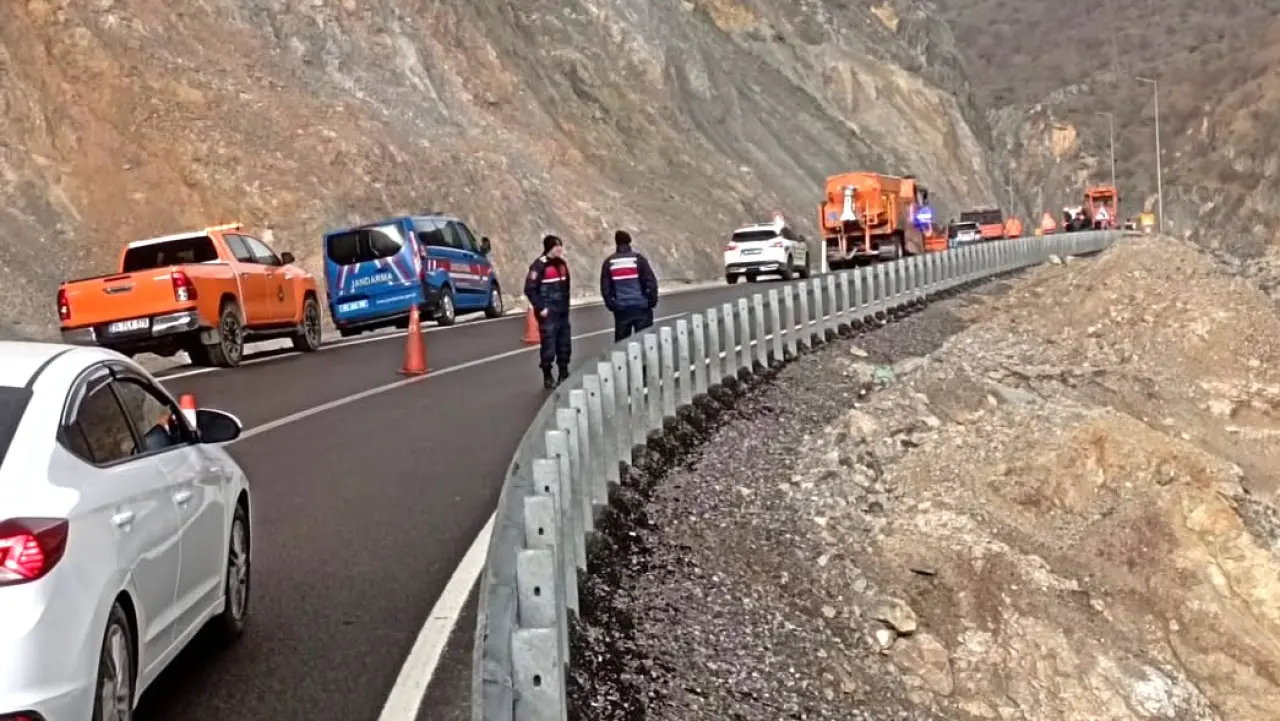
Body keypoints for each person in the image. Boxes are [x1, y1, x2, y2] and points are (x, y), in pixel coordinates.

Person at [524, 234, 572, 388]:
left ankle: (564, 372)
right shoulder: (539, 266)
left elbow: (566, 288)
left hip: (562, 312)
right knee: (549, 346)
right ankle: (547, 374)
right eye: (556, 246)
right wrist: (541, 307)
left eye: (560, 246)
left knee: (564, 344)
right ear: (549, 247)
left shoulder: (562, 265)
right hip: (549, 313)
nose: (559, 249)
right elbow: (530, 289)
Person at [600, 230, 659, 342]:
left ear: (616, 242)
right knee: (645, 344)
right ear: (629, 242)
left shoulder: (609, 262)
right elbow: (651, 282)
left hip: (621, 310)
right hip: (641, 308)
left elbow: (605, 288)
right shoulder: (638, 259)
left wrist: (612, 305)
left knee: (622, 346)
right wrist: (651, 302)